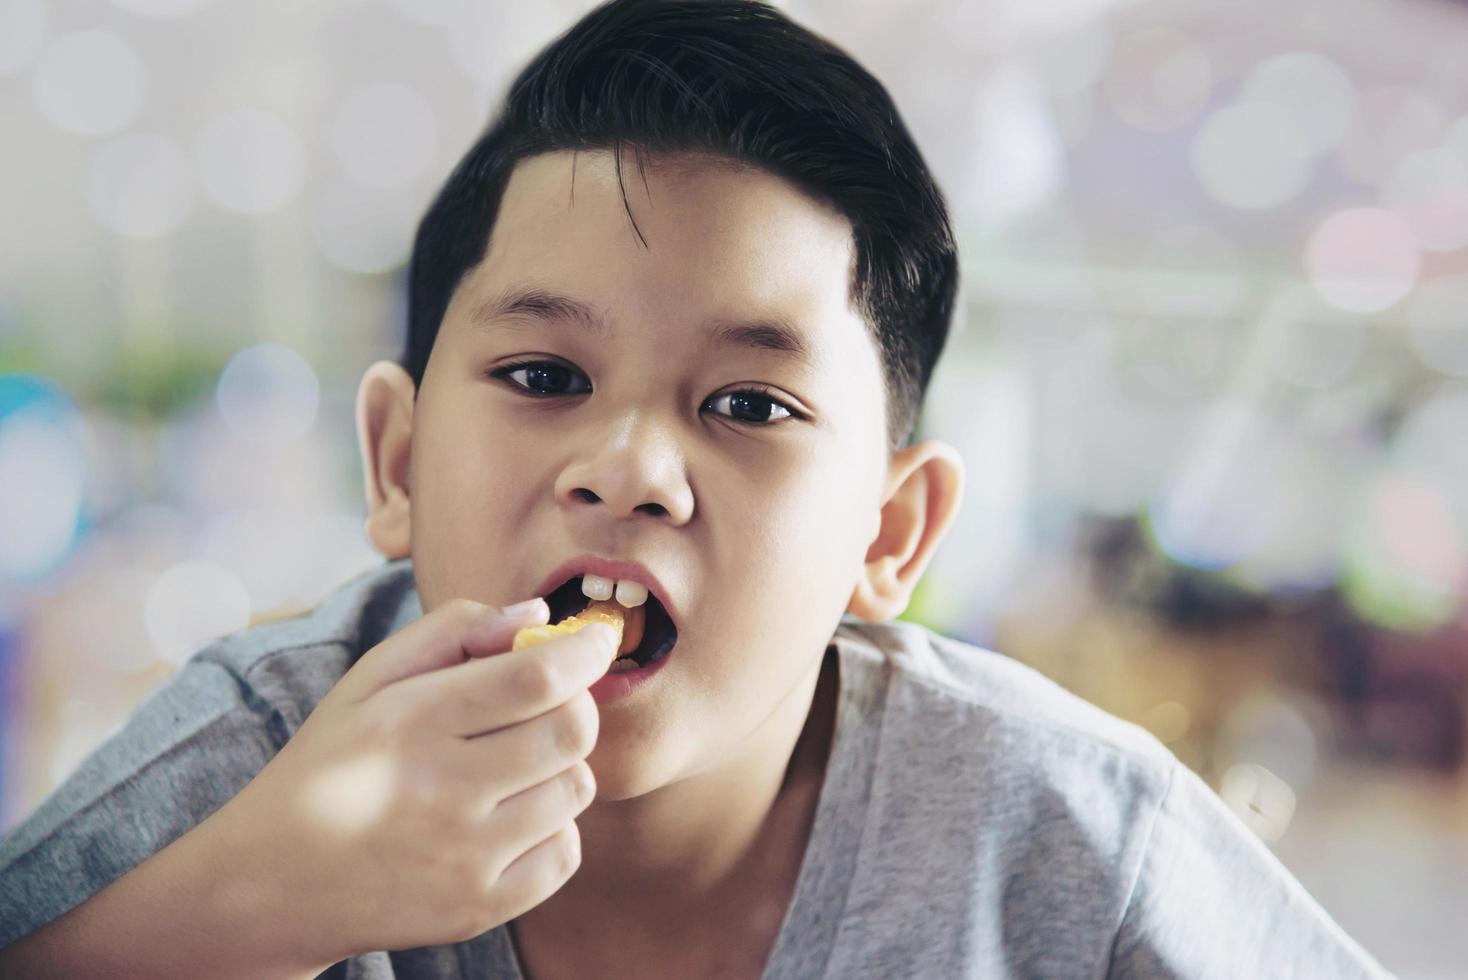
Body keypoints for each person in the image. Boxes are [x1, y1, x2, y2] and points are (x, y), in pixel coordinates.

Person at [0, 1, 1392, 977]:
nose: (631, 469)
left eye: (748, 404)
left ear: (889, 534)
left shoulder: (1063, 837)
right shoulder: (257, 760)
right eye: (546, 376)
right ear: (400, 462)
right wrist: (252, 904)